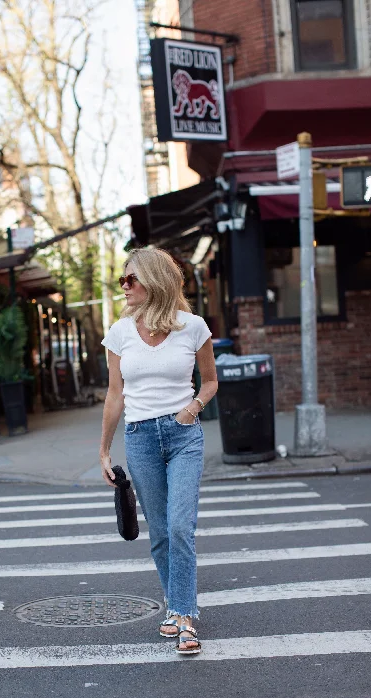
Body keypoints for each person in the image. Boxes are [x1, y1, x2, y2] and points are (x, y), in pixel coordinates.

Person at [99, 248, 218, 655]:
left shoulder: (194, 327)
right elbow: (115, 395)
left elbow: (210, 383)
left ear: (155, 280)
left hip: (183, 434)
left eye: (131, 279)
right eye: (123, 280)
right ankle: (174, 607)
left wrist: (191, 410)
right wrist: (103, 451)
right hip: (140, 438)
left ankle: (185, 616)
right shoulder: (119, 333)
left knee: (181, 527)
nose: (125, 287)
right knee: (161, 532)